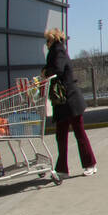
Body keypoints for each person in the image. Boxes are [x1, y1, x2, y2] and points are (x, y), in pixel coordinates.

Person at [41, 28, 97, 177]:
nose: (46, 43)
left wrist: (45, 72)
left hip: (69, 100)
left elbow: (58, 70)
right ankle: (62, 169)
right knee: (61, 135)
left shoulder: (58, 51)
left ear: (53, 39)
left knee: (78, 133)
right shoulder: (57, 51)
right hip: (62, 101)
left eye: (47, 40)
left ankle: (90, 164)